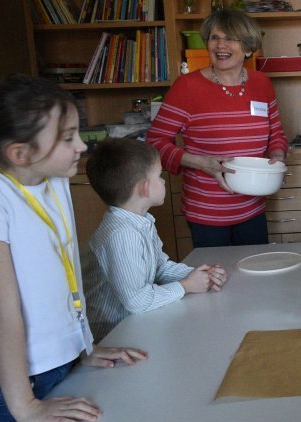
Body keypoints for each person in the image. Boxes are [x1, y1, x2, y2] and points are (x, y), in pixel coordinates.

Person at [0, 75, 147, 422]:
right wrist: (25, 406)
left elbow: (63, 274)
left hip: (60, 362)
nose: (81, 146)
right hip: (8, 387)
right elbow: (1, 310)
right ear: (20, 153)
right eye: (68, 138)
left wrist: (84, 346)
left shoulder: (53, 178)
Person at [146, 9, 287, 247]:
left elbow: (276, 133)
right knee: (215, 271)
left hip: (252, 206)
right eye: (214, 37)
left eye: (230, 38)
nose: (220, 45)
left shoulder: (261, 83)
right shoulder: (187, 87)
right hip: (206, 212)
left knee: (255, 268)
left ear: (248, 48)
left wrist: (278, 155)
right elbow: (154, 142)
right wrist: (200, 162)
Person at [82, 138, 227, 339]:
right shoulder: (123, 235)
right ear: (145, 188)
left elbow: (159, 268)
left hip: (135, 323)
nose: (164, 181)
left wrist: (200, 275)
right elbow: (136, 301)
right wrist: (185, 286)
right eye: (159, 176)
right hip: (113, 335)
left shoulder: (140, 222)